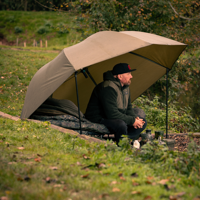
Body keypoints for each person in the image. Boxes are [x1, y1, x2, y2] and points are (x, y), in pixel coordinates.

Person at [85, 63, 147, 144]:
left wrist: (135, 119)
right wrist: (132, 121)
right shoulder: (108, 88)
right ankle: (121, 145)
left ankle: (126, 140)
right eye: (128, 74)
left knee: (143, 122)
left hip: (114, 117)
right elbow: (112, 114)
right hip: (99, 118)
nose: (131, 76)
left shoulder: (125, 88)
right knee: (121, 125)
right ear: (120, 76)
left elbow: (128, 108)